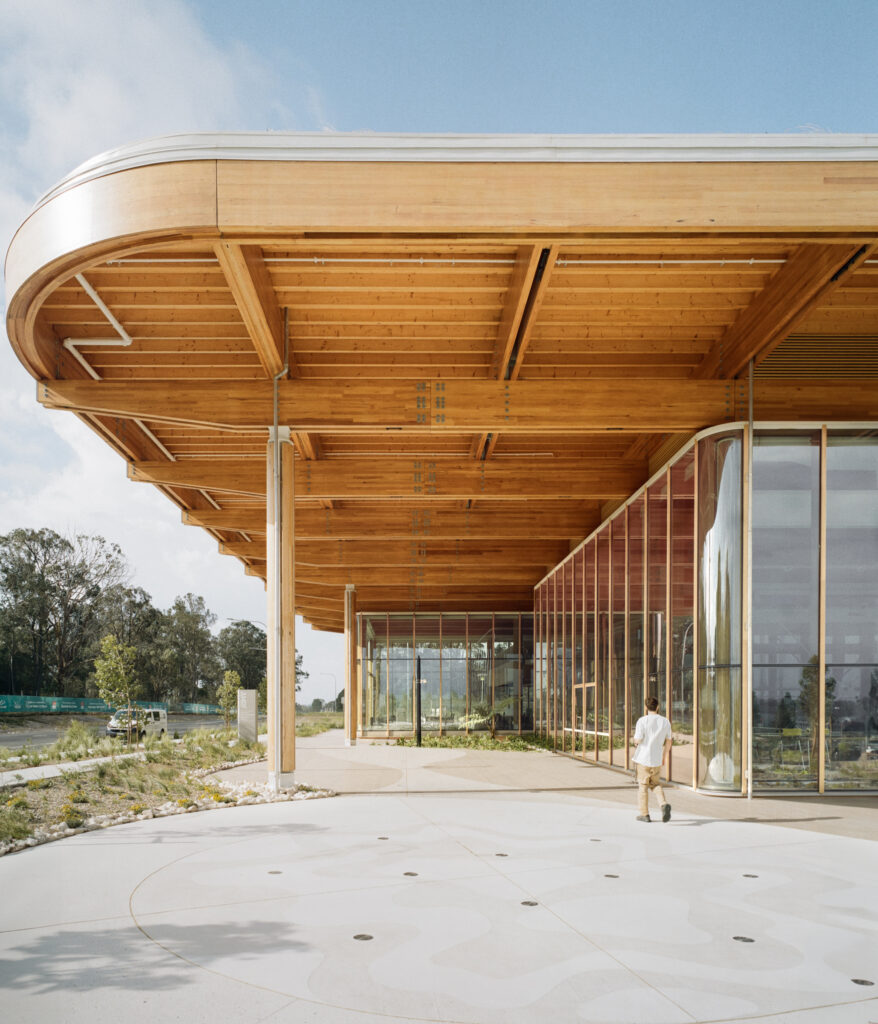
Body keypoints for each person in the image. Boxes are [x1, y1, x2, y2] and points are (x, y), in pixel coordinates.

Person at [632, 696, 672, 822]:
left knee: (643, 786)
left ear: (646, 707)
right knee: (655, 784)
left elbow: (638, 739)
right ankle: (663, 804)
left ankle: (644, 814)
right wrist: (664, 757)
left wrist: (635, 742)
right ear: (658, 707)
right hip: (656, 760)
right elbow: (669, 742)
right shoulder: (665, 722)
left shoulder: (642, 721)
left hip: (643, 759)